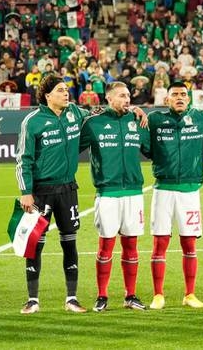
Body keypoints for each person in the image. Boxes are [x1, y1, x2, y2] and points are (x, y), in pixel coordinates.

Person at [16, 75, 89, 314]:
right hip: (40, 193)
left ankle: (72, 298)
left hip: (68, 189)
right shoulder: (33, 121)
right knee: (34, 245)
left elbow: (99, 113)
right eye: (60, 90)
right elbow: (23, 160)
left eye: (66, 89)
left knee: (70, 243)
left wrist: (132, 110)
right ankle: (32, 300)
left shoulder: (75, 113)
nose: (66, 93)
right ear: (48, 96)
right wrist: (26, 192)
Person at [78, 82, 149, 312]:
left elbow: (150, 148)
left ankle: (131, 295)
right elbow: (72, 148)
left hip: (134, 193)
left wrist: (139, 111)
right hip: (107, 193)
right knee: (105, 245)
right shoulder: (93, 123)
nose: (127, 99)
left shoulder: (137, 120)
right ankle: (102, 296)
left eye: (129, 95)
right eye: (122, 96)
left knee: (131, 245)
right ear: (109, 98)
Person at [146, 81, 203, 310]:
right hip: (163, 189)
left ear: (189, 98)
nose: (180, 97)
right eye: (175, 94)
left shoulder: (202, 118)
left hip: (190, 191)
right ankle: (158, 295)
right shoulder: (154, 120)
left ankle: (190, 294)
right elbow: (145, 146)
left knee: (189, 243)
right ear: (167, 99)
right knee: (160, 242)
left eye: (184, 94)